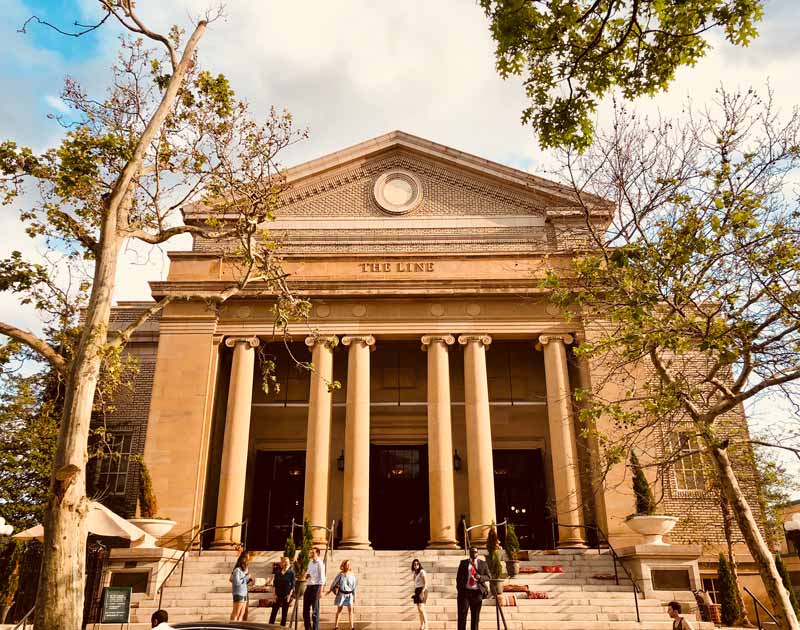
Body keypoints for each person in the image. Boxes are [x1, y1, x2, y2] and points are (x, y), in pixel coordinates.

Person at [455, 546, 490, 630]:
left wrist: (480, 577)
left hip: (477, 593)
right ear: (469, 553)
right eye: (472, 552)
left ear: (477, 553)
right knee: (462, 616)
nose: (473, 553)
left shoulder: (483, 563)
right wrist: (460, 590)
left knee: (475, 617)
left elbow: (488, 576)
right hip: (465, 593)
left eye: (475, 552)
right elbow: (458, 578)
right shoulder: (463, 563)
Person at [329, 559, 357, 630]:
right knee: (339, 610)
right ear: (343, 565)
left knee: (350, 611)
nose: (348, 566)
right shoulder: (340, 574)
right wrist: (332, 589)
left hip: (349, 594)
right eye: (346, 564)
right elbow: (334, 582)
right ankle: (336, 626)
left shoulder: (352, 575)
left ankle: (352, 627)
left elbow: (354, 587)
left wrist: (354, 598)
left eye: (349, 564)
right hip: (342, 594)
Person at [304, 547, 326, 630]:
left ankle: (315, 628)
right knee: (305, 610)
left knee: (315, 612)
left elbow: (322, 577)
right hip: (308, 586)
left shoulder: (320, 563)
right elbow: (308, 574)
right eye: (311, 552)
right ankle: (307, 628)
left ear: (317, 553)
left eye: (313, 552)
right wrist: (302, 577)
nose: (311, 554)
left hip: (316, 587)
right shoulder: (310, 562)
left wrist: (321, 590)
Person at [269, 556, 296, 626]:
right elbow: (275, 585)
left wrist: (289, 596)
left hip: (286, 596)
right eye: (285, 562)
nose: (286, 563)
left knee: (284, 615)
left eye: (287, 562)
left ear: (289, 563)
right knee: (273, 613)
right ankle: (269, 627)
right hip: (278, 596)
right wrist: (274, 595)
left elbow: (293, 586)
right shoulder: (278, 573)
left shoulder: (291, 573)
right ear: (282, 563)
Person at [230, 551, 253, 621]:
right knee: (236, 613)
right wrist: (246, 577)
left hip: (244, 593)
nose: (248, 563)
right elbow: (236, 582)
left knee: (241, 615)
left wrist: (249, 579)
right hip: (239, 593)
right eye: (247, 562)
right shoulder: (237, 570)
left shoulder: (243, 571)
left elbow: (243, 581)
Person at [411, 558, 428, 630]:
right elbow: (415, 582)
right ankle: (422, 625)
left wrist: (422, 591)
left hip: (422, 590)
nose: (416, 565)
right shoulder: (415, 573)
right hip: (417, 590)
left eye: (417, 564)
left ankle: (426, 625)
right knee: (419, 609)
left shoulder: (422, 572)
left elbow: (426, 582)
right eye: (414, 564)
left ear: (419, 564)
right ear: (413, 566)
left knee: (422, 608)